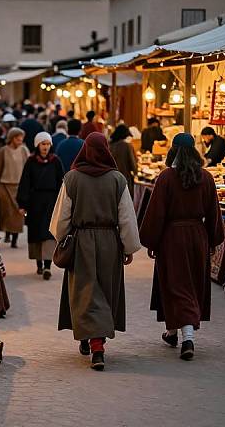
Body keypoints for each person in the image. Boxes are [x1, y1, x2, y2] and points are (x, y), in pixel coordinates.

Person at [50, 133, 140, 370]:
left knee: (84, 291)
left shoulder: (72, 179)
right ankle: (95, 342)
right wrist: (128, 246)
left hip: (81, 242)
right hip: (110, 242)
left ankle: (92, 343)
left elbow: (62, 218)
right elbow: (127, 218)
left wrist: (62, 239)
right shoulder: (118, 180)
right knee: (103, 291)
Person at [139, 133, 224, 361]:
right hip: (197, 236)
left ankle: (187, 337)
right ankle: (173, 332)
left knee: (176, 284)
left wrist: (151, 240)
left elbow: (156, 213)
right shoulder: (205, 177)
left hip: (172, 237)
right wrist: (213, 239)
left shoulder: (166, 178)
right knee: (190, 284)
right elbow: (214, 212)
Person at [17, 132, 64, 279]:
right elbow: (25, 183)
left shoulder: (55, 161)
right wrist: (22, 204)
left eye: (48, 144)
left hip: (51, 202)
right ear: (38, 145)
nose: (45, 147)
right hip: (35, 202)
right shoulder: (31, 161)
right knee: (36, 232)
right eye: (43, 144)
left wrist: (62, 202)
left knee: (49, 233)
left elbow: (61, 183)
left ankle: (48, 266)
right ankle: (39, 264)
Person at [0, 127, 30, 247]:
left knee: (18, 214)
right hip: (5, 185)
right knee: (7, 212)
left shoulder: (24, 150)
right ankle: (8, 233)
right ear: (12, 138)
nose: (20, 141)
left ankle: (15, 239)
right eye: (18, 139)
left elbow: (28, 169)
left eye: (21, 139)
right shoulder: (3, 150)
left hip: (20, 186)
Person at [109, 124, 138, 198]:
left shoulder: (110, 146)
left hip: (110, 181)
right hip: (124, 180)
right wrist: (136, 173)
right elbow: (134, 166)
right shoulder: (127, 146)